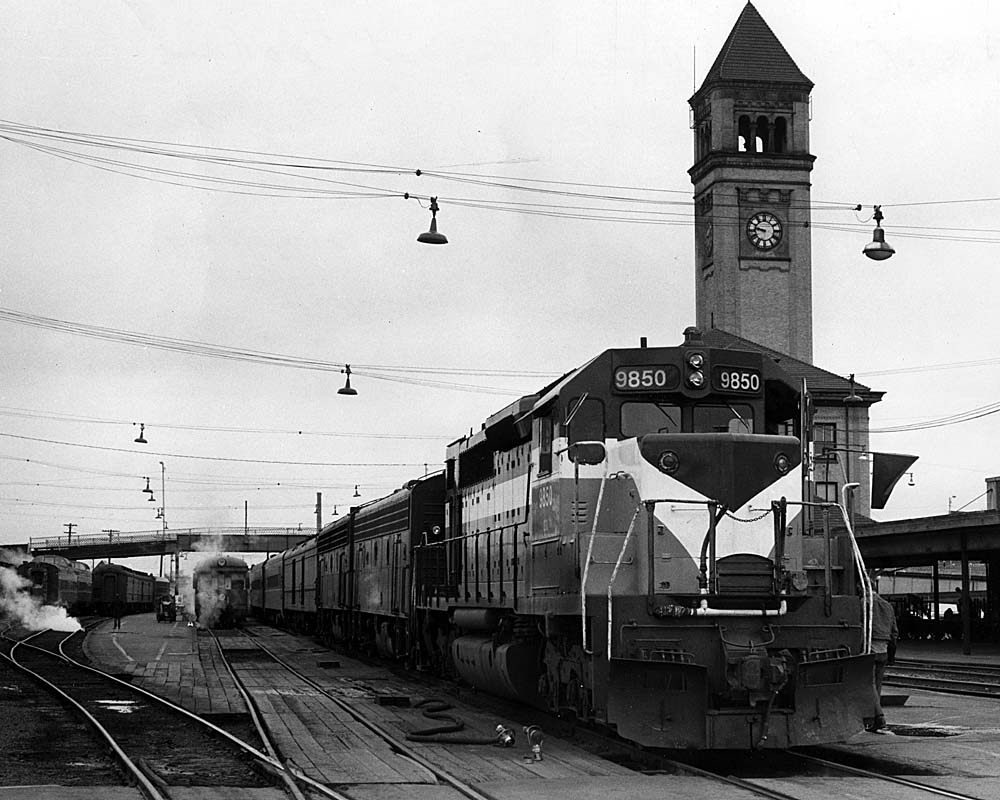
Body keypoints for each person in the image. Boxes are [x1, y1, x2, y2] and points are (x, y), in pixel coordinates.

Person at [869, 592, 899, 732]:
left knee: (869, 684)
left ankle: (879, 718)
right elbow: (894, 632)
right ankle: (874, 717)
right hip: (884, 650)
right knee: (878, 685)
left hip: (870, 649)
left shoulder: (865, 603)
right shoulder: (888, 606)